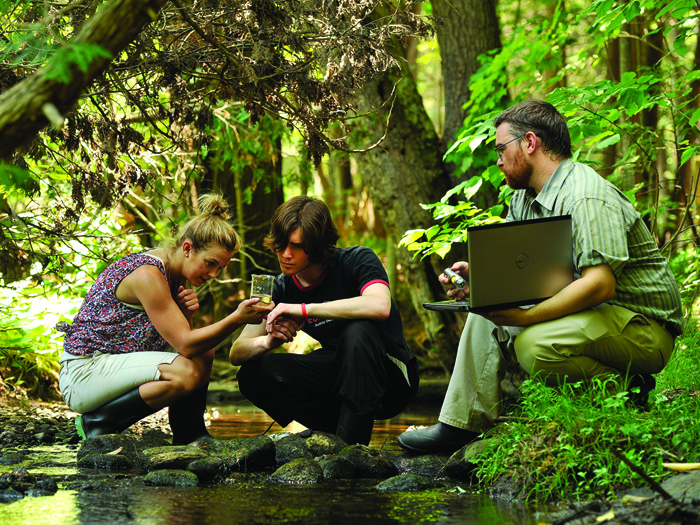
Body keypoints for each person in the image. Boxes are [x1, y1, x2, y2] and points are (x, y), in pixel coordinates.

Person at [397, 100, 683, 454]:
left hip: (643, 329)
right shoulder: (524, 199)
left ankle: (627, 393)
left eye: (502, 148)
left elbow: (600, 284)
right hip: (597, 318)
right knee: (484, 311)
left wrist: (527, 317)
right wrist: (480, 277)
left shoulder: (585, 195)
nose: (498, 160)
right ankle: (460, 425)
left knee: (535, 345)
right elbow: (527, 270)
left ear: (530, 143)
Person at [57, 193, 273, 443]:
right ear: (188, 248)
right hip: (84, 373)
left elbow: (191, 347)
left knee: (205, 352)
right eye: (211, 263)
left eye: (221, 268)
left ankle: (190, 434)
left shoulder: (175, 273)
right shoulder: (148, 274)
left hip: (113, 365)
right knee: (185, 372)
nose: (214, 274)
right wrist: (237, 318)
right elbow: (185, 344)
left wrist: (186, 315)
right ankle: (98, 423)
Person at [230, 195, 419, 446]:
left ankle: (351, 451)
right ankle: (330, 436)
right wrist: (268, 341)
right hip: (339, 376)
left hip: (391, 378)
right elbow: (237, 352)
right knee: (252, 374)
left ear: (317, 245)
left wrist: (305, 310)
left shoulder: (357, 260)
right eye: (281, 244)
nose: (285, 254)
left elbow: (380, 305)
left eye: (296, 246)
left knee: (358, 331)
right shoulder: (281, 287)